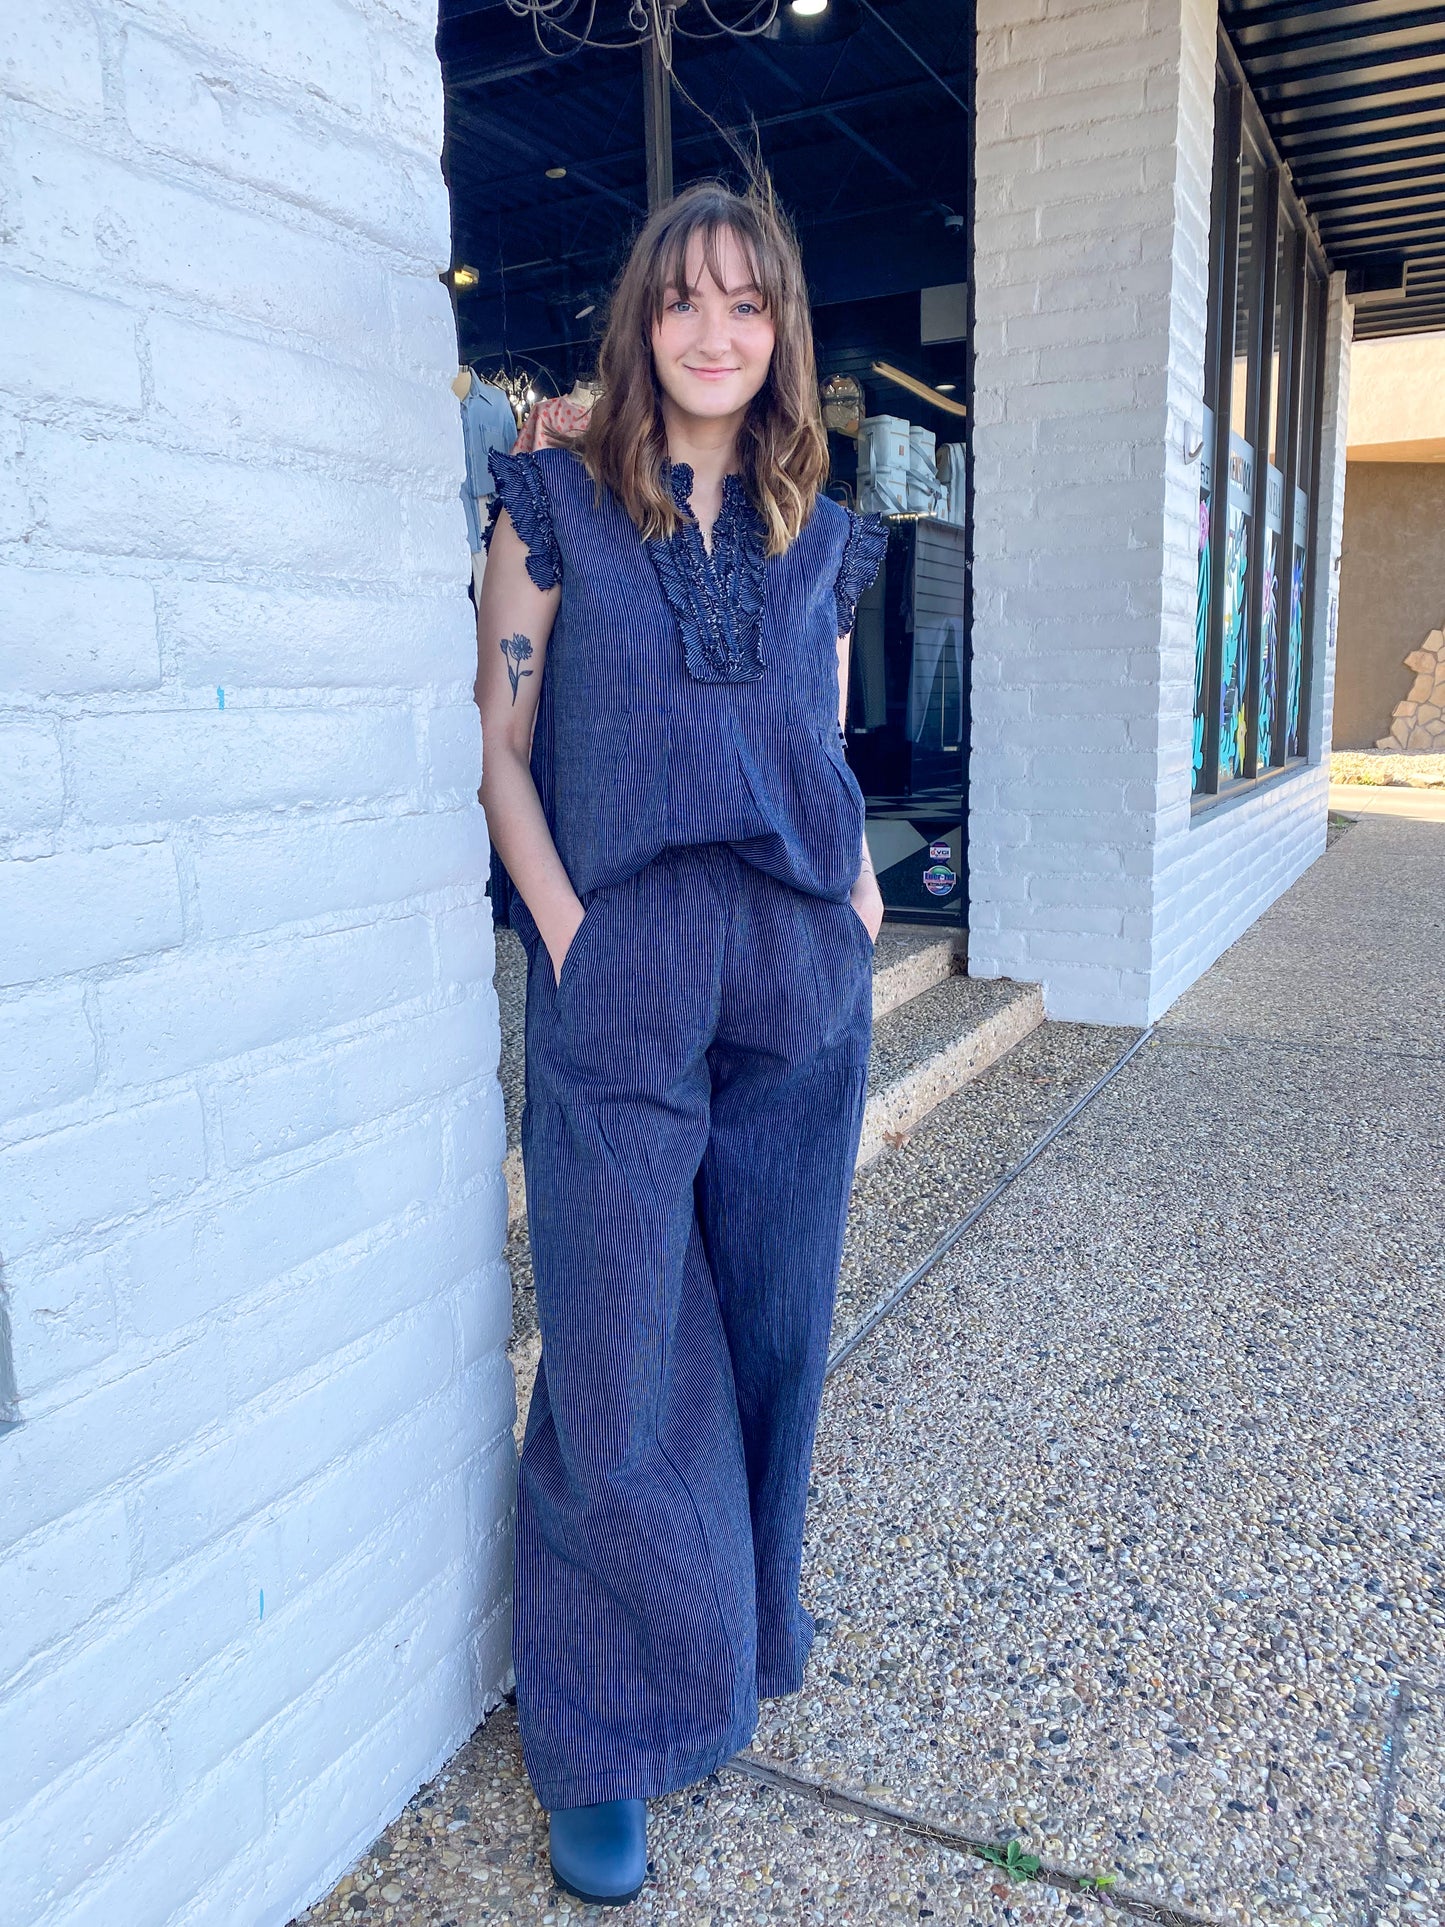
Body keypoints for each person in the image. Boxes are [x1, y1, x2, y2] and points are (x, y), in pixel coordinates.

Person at [474, 174, 887, 1908]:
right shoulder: (553, 505)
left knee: (776, 1324)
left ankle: (742, 1628)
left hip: (795, 974)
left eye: (746, 302)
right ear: (640, 321)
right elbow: (499, 750)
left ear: (780, 329)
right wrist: (572, 938)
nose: (714, 332)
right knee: (614, 1343)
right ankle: (604, 1733)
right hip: (624, 971)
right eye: (681, 299)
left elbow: (823, 747)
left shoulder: (823, 531)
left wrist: (855, 905)